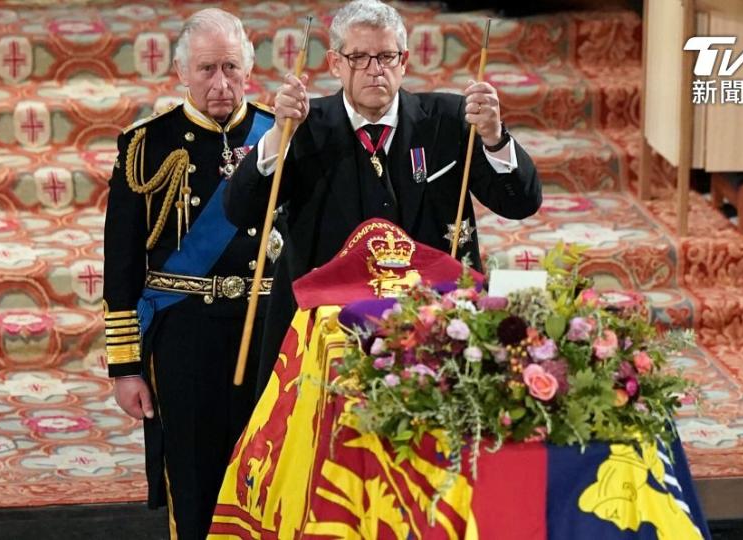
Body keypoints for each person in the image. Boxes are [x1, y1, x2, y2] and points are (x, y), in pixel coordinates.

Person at [225, 0, 542, 395]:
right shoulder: (303, 126)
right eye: (359, 57)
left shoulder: (449, 120)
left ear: (405, 60)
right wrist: (277, 139)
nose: (375, 69)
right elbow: (240, 210)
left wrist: (494, 138)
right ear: (335, 63)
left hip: (434, 324)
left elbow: (521, 203)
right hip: (326, 329)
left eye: (387, 56)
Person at [102, 8, 282, 539]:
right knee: (196, 476)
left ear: (249, 67)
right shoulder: (146, 147)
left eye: (231, 67)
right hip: (186, 335)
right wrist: (125, 367)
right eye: (207, 70)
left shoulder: (285, 134)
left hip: (270, 324)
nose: (221, 84)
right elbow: (123, 263)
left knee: (273, 470)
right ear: (181, 72)